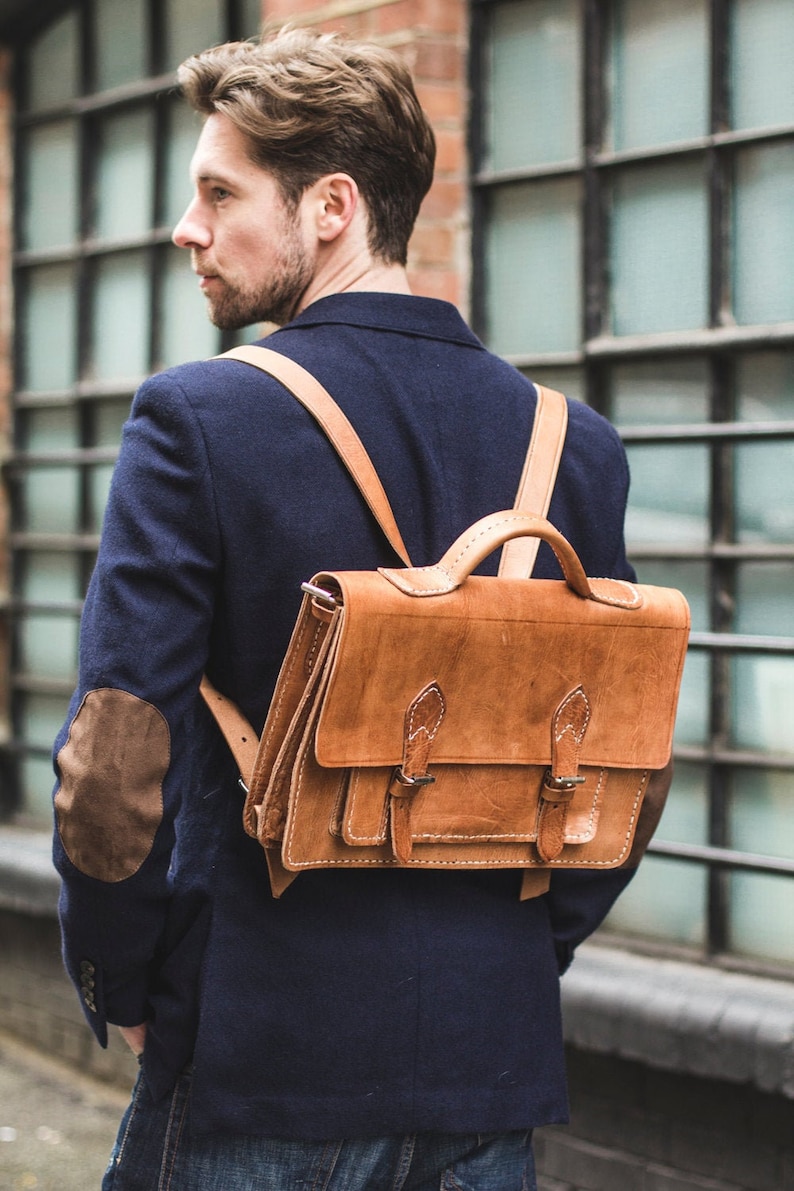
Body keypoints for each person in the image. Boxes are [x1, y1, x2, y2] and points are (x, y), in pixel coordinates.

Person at [52, 26, 656, 1191]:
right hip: (488, 1067)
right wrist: (515, 953)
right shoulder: (570, 446)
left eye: (219, 192)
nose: (188, 228)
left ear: (330, 206)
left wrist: (122, 984)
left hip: (253, 1053)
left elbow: (115, 757)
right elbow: (625, 764)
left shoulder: (196, 422)